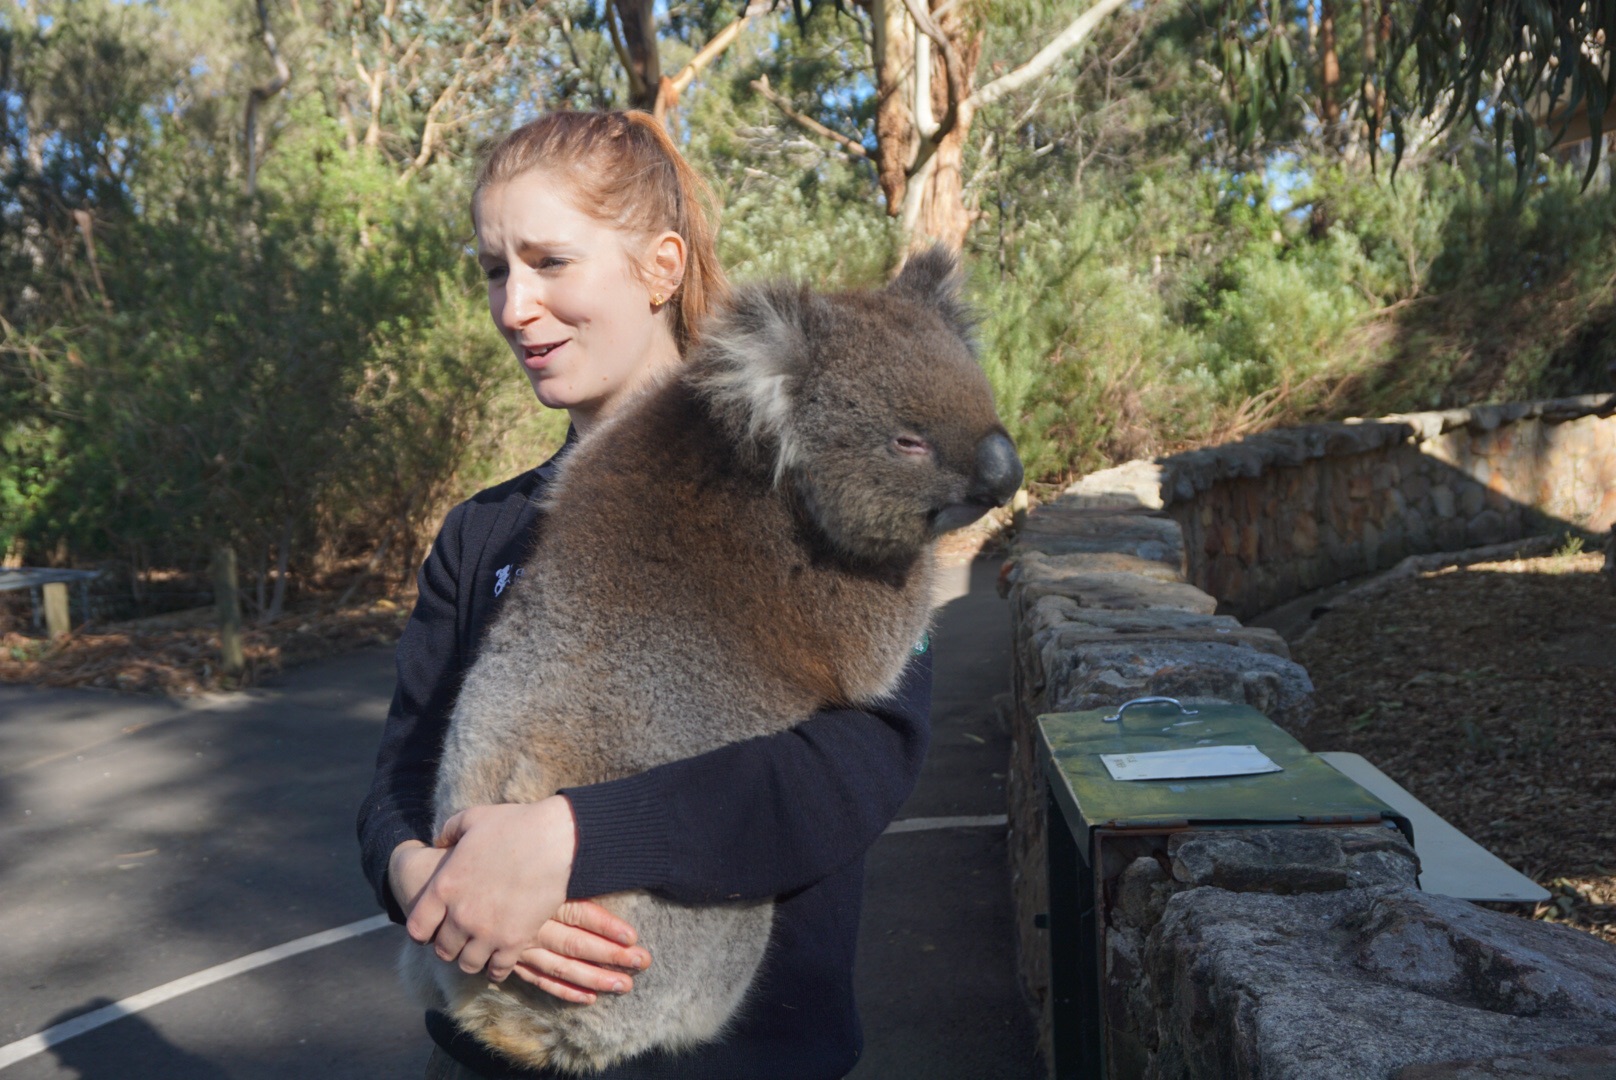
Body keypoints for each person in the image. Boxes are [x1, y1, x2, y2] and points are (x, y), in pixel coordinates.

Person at [356, 110, 933, 1080]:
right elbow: (395, 785)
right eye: (496, 270)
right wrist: (429, 881)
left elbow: (856, 767)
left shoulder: (813, 490)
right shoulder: (480, 534)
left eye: (550, 261)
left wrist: (568, 843)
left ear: (660, 267)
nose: (513, 306)